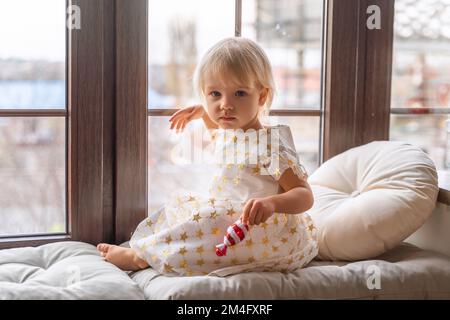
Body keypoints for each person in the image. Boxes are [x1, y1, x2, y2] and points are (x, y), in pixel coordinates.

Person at [97, 37, 318, 276]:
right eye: (214, 93)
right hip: (228, 218)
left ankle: (140, 257)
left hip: (259, 229)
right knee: (182, 207)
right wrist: (202, 112)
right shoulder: (230, 133)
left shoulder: (269, 146)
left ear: (262, 96)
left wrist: (272, 203)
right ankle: (147, 246)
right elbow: (219, 133)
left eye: (239, 93)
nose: (225, 105)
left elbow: (304, 195)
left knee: (206, 222)